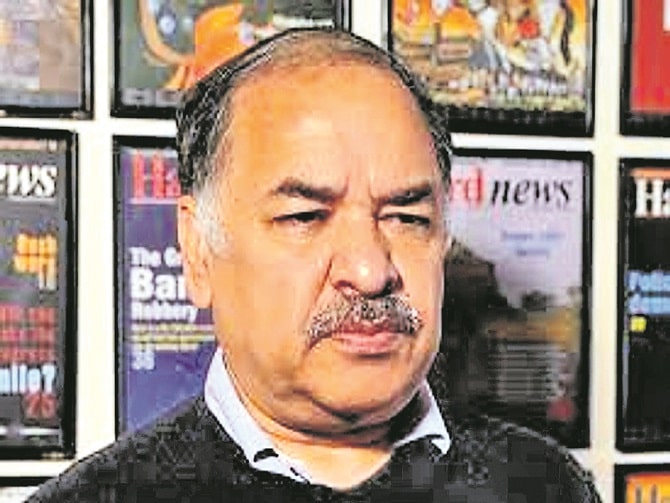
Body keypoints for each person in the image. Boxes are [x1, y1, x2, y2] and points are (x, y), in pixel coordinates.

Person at [28, 27, 601, 502]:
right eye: (305, 216)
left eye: (406, 217)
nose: (370, 271)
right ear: (198, 250)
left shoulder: (546, 485)